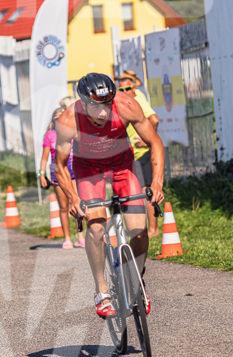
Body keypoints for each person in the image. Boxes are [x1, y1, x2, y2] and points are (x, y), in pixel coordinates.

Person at [55, 73, 165, 318]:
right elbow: (60, 165)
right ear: (83, 102)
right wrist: (73, 198)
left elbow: (155, 143)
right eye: (96, 106)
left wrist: (157, 183)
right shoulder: (69, 119)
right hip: (89, 171)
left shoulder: (126, 105)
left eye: (107, 104)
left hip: (122, 167)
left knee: (139, 230)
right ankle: (102, 290)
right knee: (96, 228)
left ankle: (137, 279)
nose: (104, 111)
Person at [116, 70, 161, 237]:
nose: (124, 91)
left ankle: (151, 230)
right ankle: (148, 229)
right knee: (142, 191)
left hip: (141, 153)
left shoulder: (137, 98)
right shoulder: (128, 100)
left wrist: (146, 139)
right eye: (121, 89)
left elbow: (154, 119)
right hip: (134, 153)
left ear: (133, 86)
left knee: (144, 191)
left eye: (127, 87)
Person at [39, 101, 85, 249]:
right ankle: (67, 238)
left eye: (62, 116)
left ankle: (80, 236)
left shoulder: (72, 132)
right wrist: (41, 174)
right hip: (57, 172)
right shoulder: (50, 135)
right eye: (57, 118)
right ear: (54, 120)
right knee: (64, 206)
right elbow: (44, 158)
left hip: (74, 171)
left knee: (76, 203)